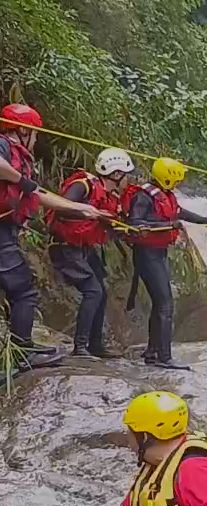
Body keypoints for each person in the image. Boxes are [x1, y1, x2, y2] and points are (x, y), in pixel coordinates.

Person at [0, 104, 110, 368]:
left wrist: (83, 208)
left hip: (6, 231)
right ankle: (23, 352)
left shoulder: (18, 158)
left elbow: (40, 194)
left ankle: (22, 348)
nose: (37, 139)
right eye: (35, 133)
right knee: (23, 292)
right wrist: (20, 181)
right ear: (23, 131)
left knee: (20, 290)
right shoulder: (3, 144)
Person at [121, 157, 207, 370]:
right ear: (166, 179)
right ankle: (164, 357)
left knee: (161, 303)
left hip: (158, 253)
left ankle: (152, 352)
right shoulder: (143, 197)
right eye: (176, 179)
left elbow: (180, 213)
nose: (178, 183)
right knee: (166, 304)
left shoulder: (164, 195)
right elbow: (135, 222)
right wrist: (168, 224)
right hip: (146, 254)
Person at [46, 148, 136, 358]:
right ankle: (80, 347)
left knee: (101, 293)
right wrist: (93, 215)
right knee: (93, 291)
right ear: (116, 174)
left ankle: (95, 345)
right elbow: (63, 207)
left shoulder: (108, 194)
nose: (128, 179)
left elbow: (108, 227)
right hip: (65, 247)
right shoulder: (83, 185)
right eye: (126, 174)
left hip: (82, 248)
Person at [120, 391, 207, 506]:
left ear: (144, 437)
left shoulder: (195, 469)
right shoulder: (158, 463)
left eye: (130, 431)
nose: (128, 439)